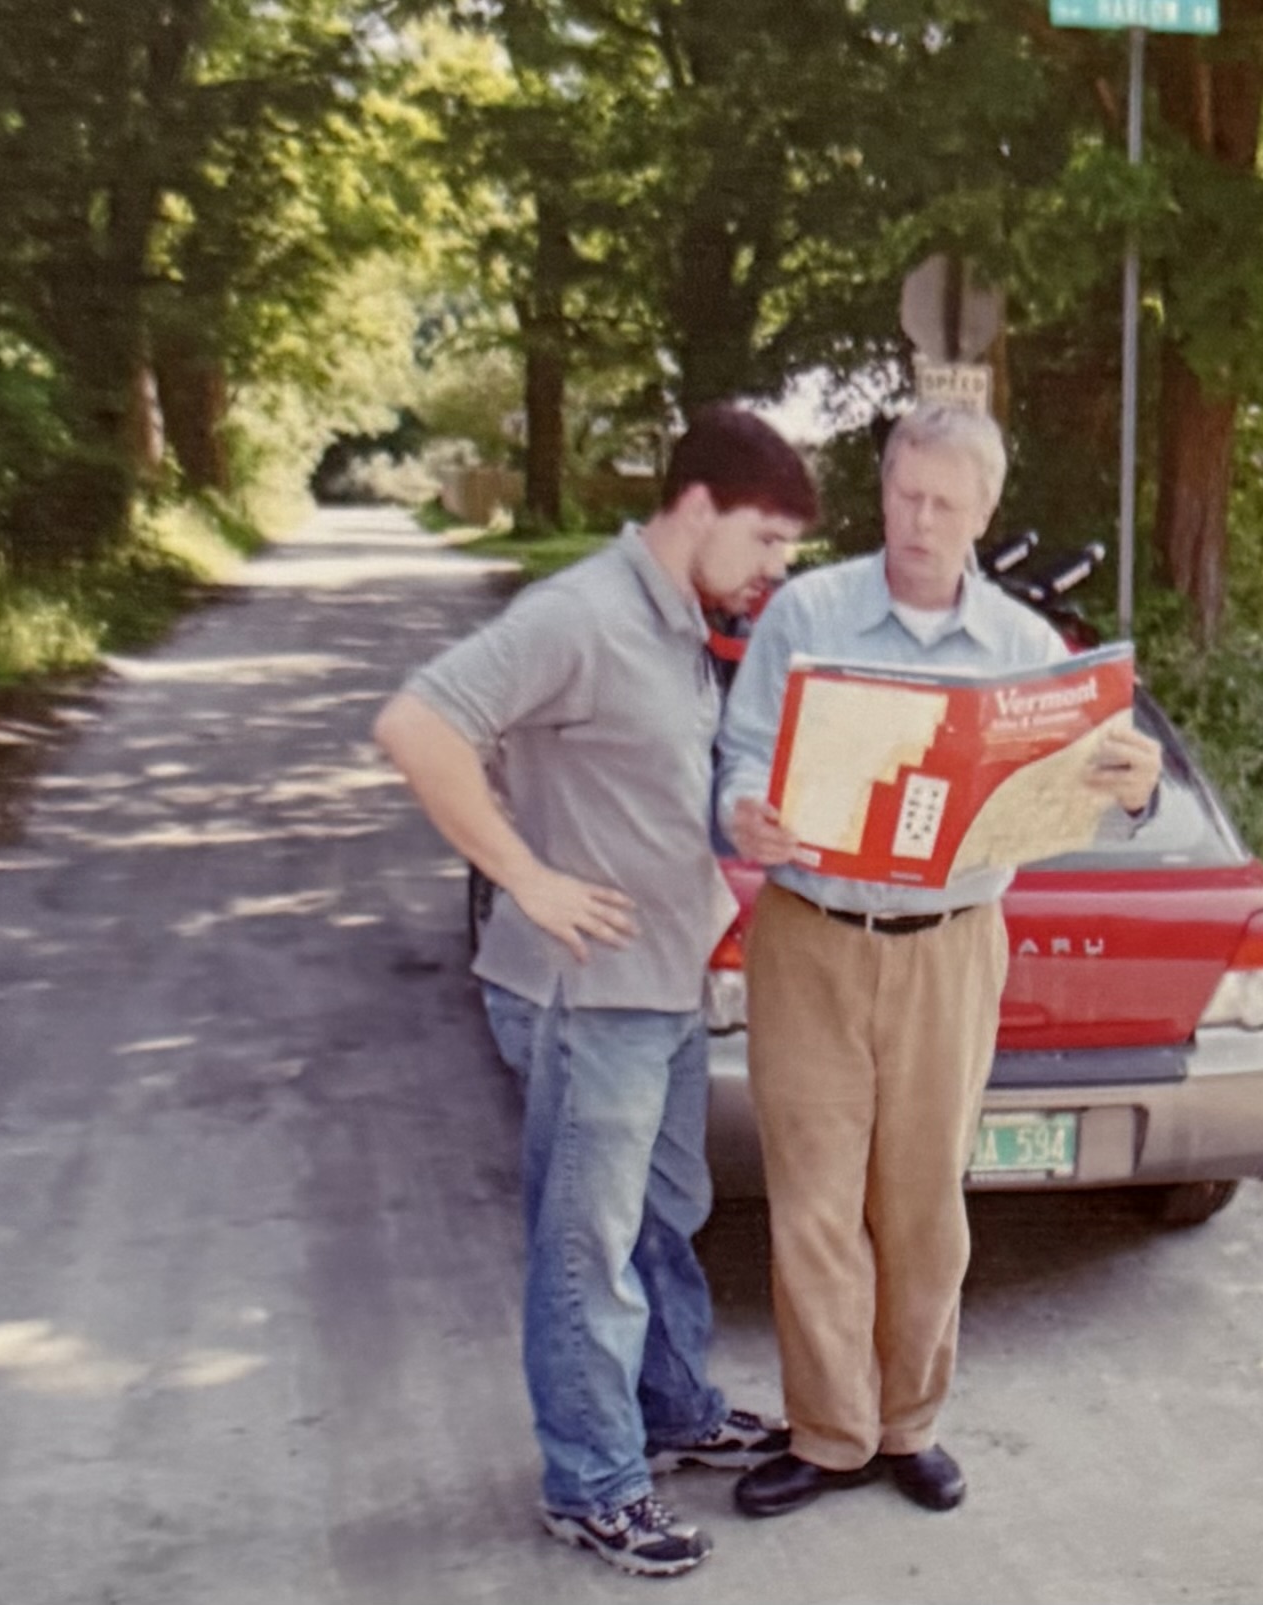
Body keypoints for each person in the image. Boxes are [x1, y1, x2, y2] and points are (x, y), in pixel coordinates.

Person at [372, 404, 815, 1579]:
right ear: (699, 506)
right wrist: (526, 879)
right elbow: (416, 725)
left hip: (663, 984)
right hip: (589, 995)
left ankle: (670, 1412)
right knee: (586, 1246)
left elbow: (659, 777)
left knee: (662, 1219)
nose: (775, 571)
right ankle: (592, 1482)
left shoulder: (675, 619)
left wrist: (742, 821)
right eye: (767, 541)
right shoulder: (578, 614)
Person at [713, 403, 1163, 1518]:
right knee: (813, 1200)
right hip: (810, 937)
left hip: (952, 949)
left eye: (943, 504)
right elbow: (736, 757)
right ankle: (827, 1433)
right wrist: (744, 815)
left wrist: (1134, 788)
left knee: (923, 1201)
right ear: (884, 490)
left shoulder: (1022, 648)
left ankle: (908, 1424)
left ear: (983, 512)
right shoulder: (806, 613)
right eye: (903, 494)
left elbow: (1080, 804)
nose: (916, 520)